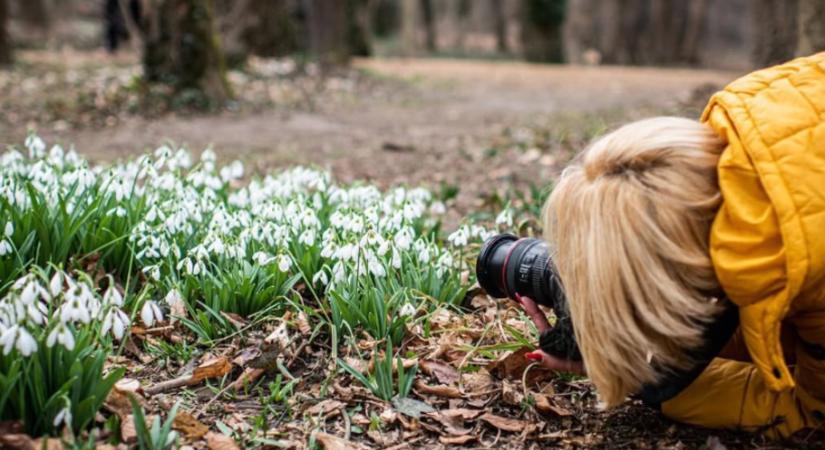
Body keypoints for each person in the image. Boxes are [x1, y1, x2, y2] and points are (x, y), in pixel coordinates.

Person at [519, 52, 825, 439]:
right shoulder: (757, 113)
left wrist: (649, 375)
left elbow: (811, 413)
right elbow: (784, 327)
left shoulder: (811, 266)